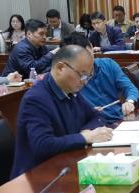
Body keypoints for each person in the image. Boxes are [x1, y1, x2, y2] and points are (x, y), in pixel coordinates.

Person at [11, 45, 113, 178]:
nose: (85, 82)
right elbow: (42, 145)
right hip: (37, 177)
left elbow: (96, 116)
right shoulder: (36, 99)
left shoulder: (70, 90)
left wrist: (86, 132)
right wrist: (84, 138)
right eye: (81, 74)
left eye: (88, 76)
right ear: (60, 68)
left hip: (66, 164)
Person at [61, 34, 139, 122]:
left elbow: (130, 88)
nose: (87, 60)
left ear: (91, 47)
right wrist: (86, 112)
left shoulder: (108, 64)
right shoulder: (71, 77)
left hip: (119, 118)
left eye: (88, 54)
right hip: (92, 124)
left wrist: (129, 102)